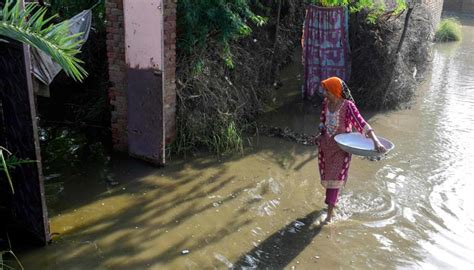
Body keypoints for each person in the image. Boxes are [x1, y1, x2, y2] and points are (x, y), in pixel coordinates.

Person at [315, 76, 386, 223]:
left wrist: (376, 141)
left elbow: (362, 123)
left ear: (335, 91)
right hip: (326, 147)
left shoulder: (348, 106)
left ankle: (329, 217)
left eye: (327, 91)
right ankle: (332, 203)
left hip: (341, 149)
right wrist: (319, 133)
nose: (325, 94)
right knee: (329, 179)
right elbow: (323, 121)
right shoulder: (326, 103)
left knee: (335, 181)